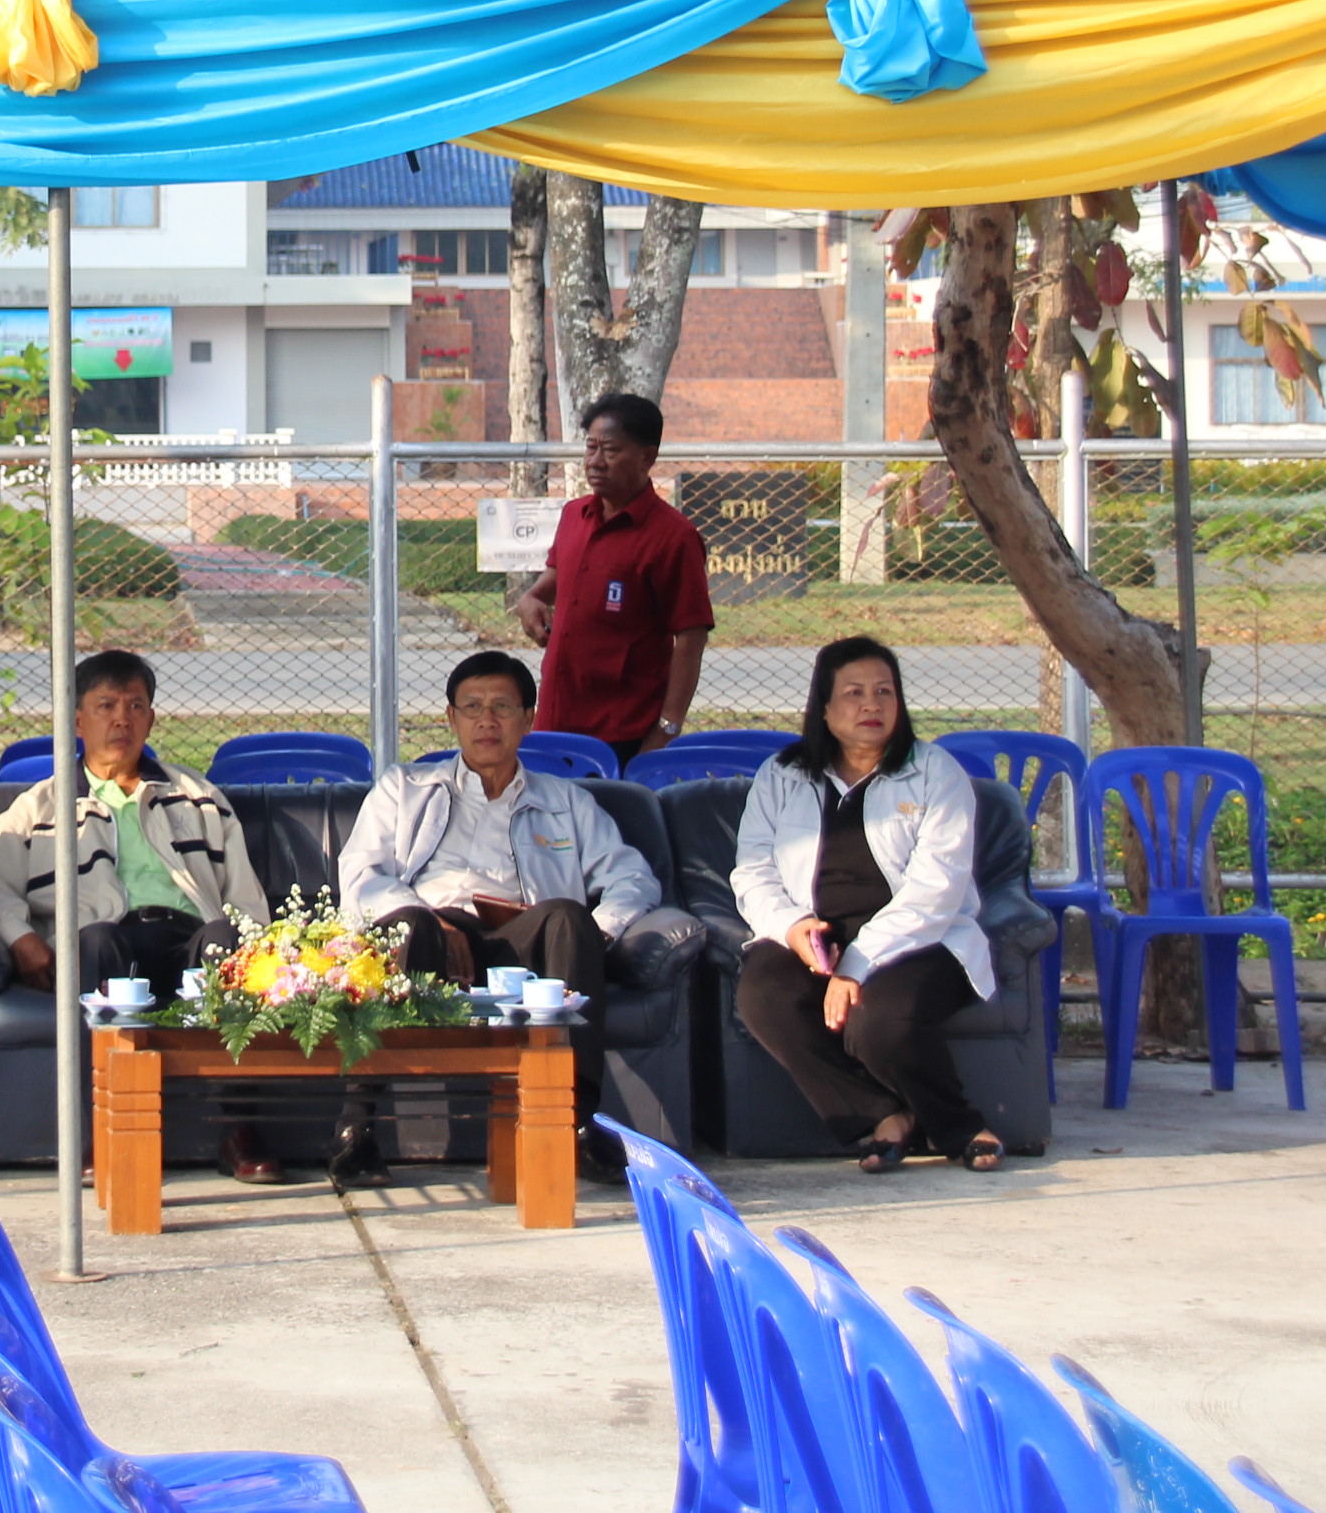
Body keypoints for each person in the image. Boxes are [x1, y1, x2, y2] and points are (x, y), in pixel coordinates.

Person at [0, 650, 281, 1182]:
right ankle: (101, 1133)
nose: (122, 719)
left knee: (224, 939)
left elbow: (245, 899)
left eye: (135, 706)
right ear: (78, 720)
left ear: (151, 718)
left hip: (187, 939)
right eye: (106, 706)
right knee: (95, 940)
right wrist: (19, 935)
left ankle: (238, 1130)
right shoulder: (42, 806)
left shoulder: (197, 798)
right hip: (106, 944)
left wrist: (259, 950)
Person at [336, 650, 660, 1190]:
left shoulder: (566, 802)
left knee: (568, 918)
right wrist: (430, 921)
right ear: (451, 718)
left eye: (503, 707)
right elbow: (361, 874)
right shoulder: (405, 788)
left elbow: (634, 878)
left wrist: (595, 932)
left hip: (522, 940)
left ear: (528, 719)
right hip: (432, 935)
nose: (487, 720)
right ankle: (356, 1129)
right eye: (473, 707)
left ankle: (577, 1123)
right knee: (406, 926)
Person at [729, 636, 1001, 1175]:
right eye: (853, 693)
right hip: (816, 936)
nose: (871, 704)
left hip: (919, 938)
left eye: (884, 691)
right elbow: (752, 870)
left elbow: (937, 888)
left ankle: (958, 1125)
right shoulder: (782, 775)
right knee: (763, 995)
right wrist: (792, 928)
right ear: (824, 708)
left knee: (877, 1021)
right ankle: (881, 1116)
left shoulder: (935, 773)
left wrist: (857, 964)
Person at [516, 392, 712, 761]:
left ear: (647, 457)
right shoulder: (574, 516)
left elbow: (691, 637)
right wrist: (531, 599)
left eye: (610, 450)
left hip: (624, 732)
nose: (595, 461)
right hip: (555, 721)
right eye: (590, 447)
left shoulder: (674, 537)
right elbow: (554, 578)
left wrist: (666, 730)